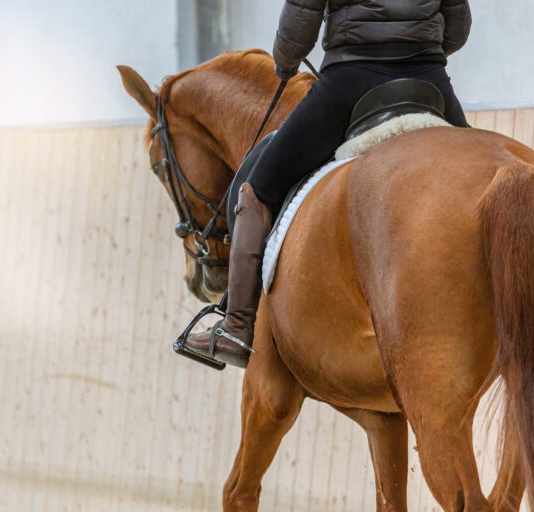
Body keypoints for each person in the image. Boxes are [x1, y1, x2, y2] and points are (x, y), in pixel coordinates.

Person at [185, 0, 472, 368]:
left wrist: (286, 64)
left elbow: (297, 26)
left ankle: (236, 327)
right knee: (474, 182)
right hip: (428, 78)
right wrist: (421, 53)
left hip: (351, 79)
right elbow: (459, 26)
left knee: (257, 189)